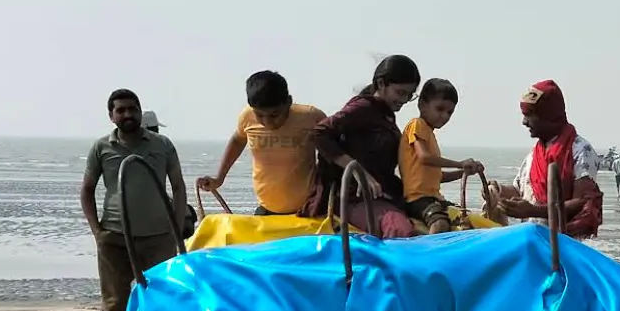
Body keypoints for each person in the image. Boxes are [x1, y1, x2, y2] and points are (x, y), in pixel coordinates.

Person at [82, 90, 187, 311]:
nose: (128, 114)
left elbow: (178, 186)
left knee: (161, 298)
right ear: (111, 116)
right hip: (115, 237)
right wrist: (98, 232)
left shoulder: (162, 145)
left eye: (132, 109)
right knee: (115, 302)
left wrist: (175, 229)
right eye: (121, 110)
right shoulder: (101, 147)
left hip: (158, 238)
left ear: (140, 111)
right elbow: (87, 190)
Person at [305, 55, 420, 238]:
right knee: (400, 230)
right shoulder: (363, 108)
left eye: (409, 94)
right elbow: (319, 133)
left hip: (381, 196)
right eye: (400, 92)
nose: (405, 99)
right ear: (381, 84)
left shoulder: (385, 115)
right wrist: (359, 171)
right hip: (354, 199)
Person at [197, 71, 325, 216]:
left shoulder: (311, 117)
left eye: (274, 115)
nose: (267, 122)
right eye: (260, 115)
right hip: (266, 208)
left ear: (288, 102)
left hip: (308, 209)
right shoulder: (247, 117)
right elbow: (238, 140)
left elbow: (336, 145)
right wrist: (219, 178)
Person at [493, 80, 603, 237]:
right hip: (531, 241)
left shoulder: (580, 150)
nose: (524, 122)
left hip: (561, 245)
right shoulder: (534, 154)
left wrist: (533, 210)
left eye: (529, 115)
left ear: (548, 116)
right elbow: (521, 192)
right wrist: (498, 192)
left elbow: (581, 203)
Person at [400, 78, 484, 234]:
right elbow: (424, 157)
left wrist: (463, 172)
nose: (445, 116)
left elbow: (437, 176)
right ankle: (430, 255)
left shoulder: (429, 134)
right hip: (417, 199)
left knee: (465, 216)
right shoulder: (417, 125)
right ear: (422, 105)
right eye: (440, 109)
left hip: (434, 197)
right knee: (440, 223)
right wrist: (460, 164)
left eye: (449, 112)